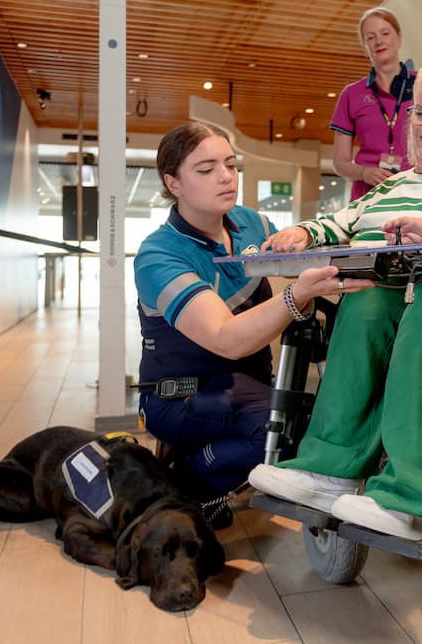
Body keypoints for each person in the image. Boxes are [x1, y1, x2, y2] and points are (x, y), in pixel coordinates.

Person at [250, 36, 422, 541]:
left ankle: (413, 491)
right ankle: (328, 468)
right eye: (421, 113)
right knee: (364, 297)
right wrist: (302, 233)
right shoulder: (389, 187)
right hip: (383, 300)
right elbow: (341, 222)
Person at [133, 121, 371, 502]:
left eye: (231, 164)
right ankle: (190, 474)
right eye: (206, 170)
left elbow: (300, 261)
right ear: (173, 183)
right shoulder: (159, 255)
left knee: (319, 421)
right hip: (181, 398)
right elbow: (226, 338)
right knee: (281, 432)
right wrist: (296, 296)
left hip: (249, 384)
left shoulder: (249, 223)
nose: (226, 177)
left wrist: (305, 239)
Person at [330, 7, 415, 202]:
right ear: (365, 46)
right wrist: (363, 172)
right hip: (367, 197)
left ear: (399, 37)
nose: (379, 41)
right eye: (370, 37)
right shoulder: (351, 94)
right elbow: (339, 162)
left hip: (414, 191)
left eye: (385, 33)